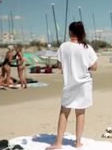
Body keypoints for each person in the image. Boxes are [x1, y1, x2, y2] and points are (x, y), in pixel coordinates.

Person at [46, 21, 98, 150]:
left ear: (70, 32)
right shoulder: (87, 47)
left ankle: (58, 143)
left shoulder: (64, 46)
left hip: (69, 83)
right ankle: (78, 142)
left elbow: (59, 65)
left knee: (64, 112)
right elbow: (94, 67)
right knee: (80, 113)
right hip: (84, 84)